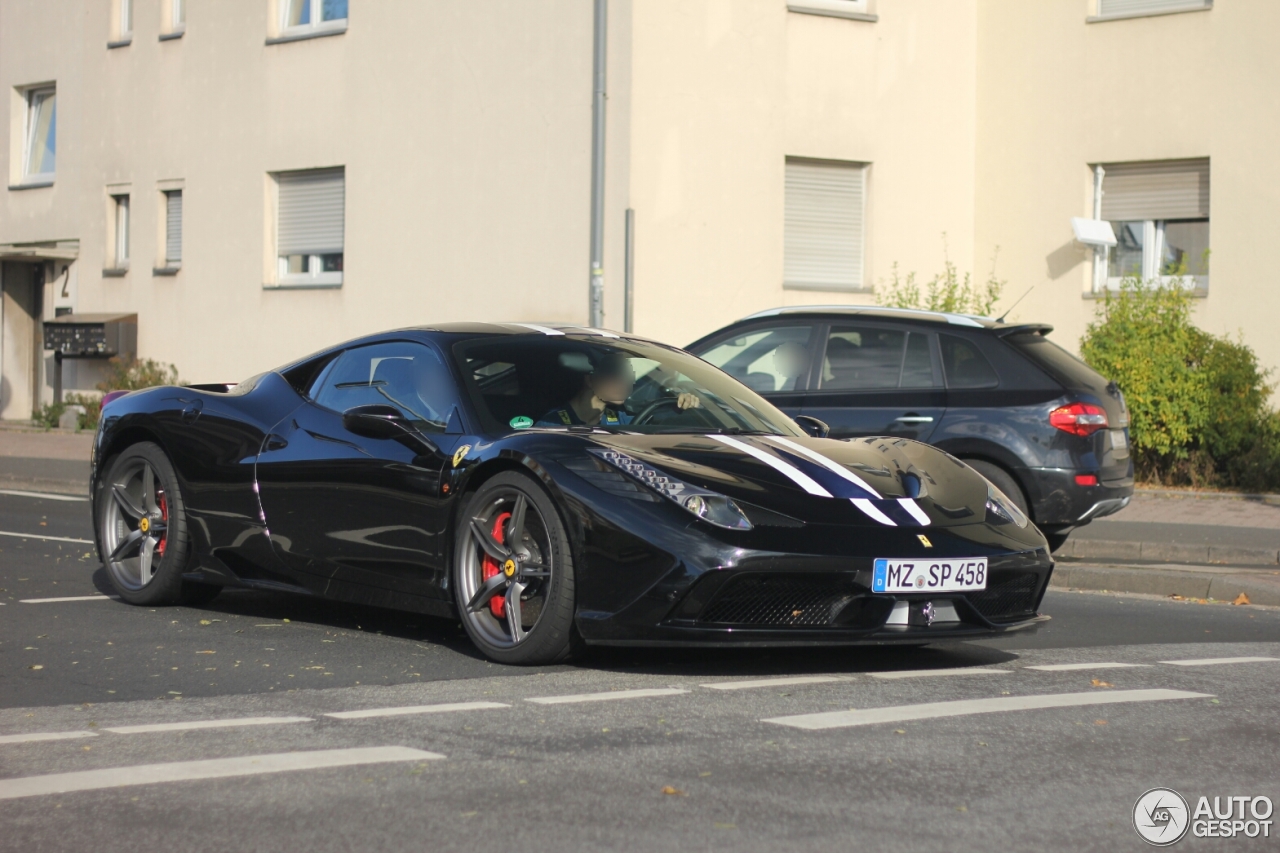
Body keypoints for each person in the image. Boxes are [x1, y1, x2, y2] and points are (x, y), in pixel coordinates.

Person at [538, 352, 699, 427]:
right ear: (590, 380)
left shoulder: (620, 420)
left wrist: (683, 406)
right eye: (616, 375)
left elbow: (656, 424)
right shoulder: (551, 425)